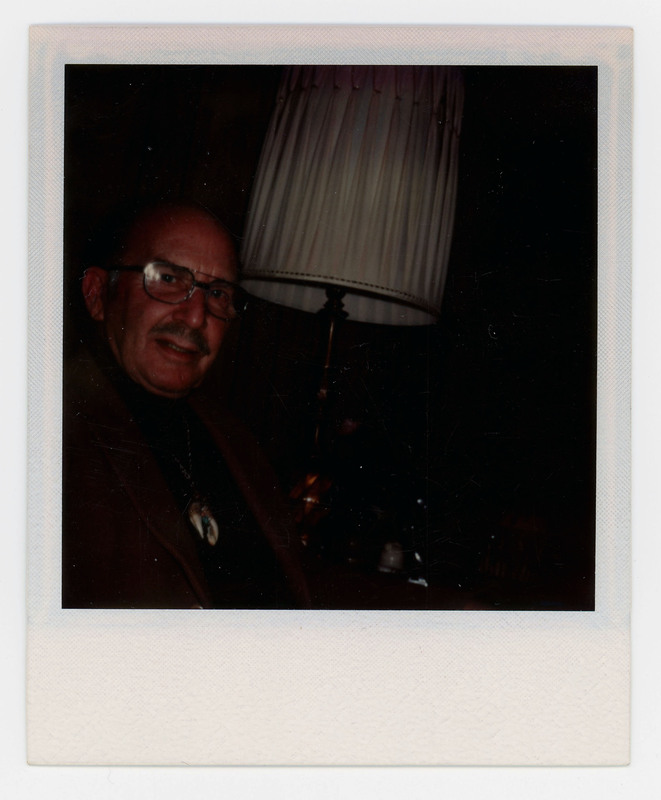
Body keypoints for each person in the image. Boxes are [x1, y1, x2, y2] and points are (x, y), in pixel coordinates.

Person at [62, 201, 311, 609]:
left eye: (216, 293)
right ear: (96, 294)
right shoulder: (48, 431)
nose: (196, 317)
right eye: (168, 278)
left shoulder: (236, 441)